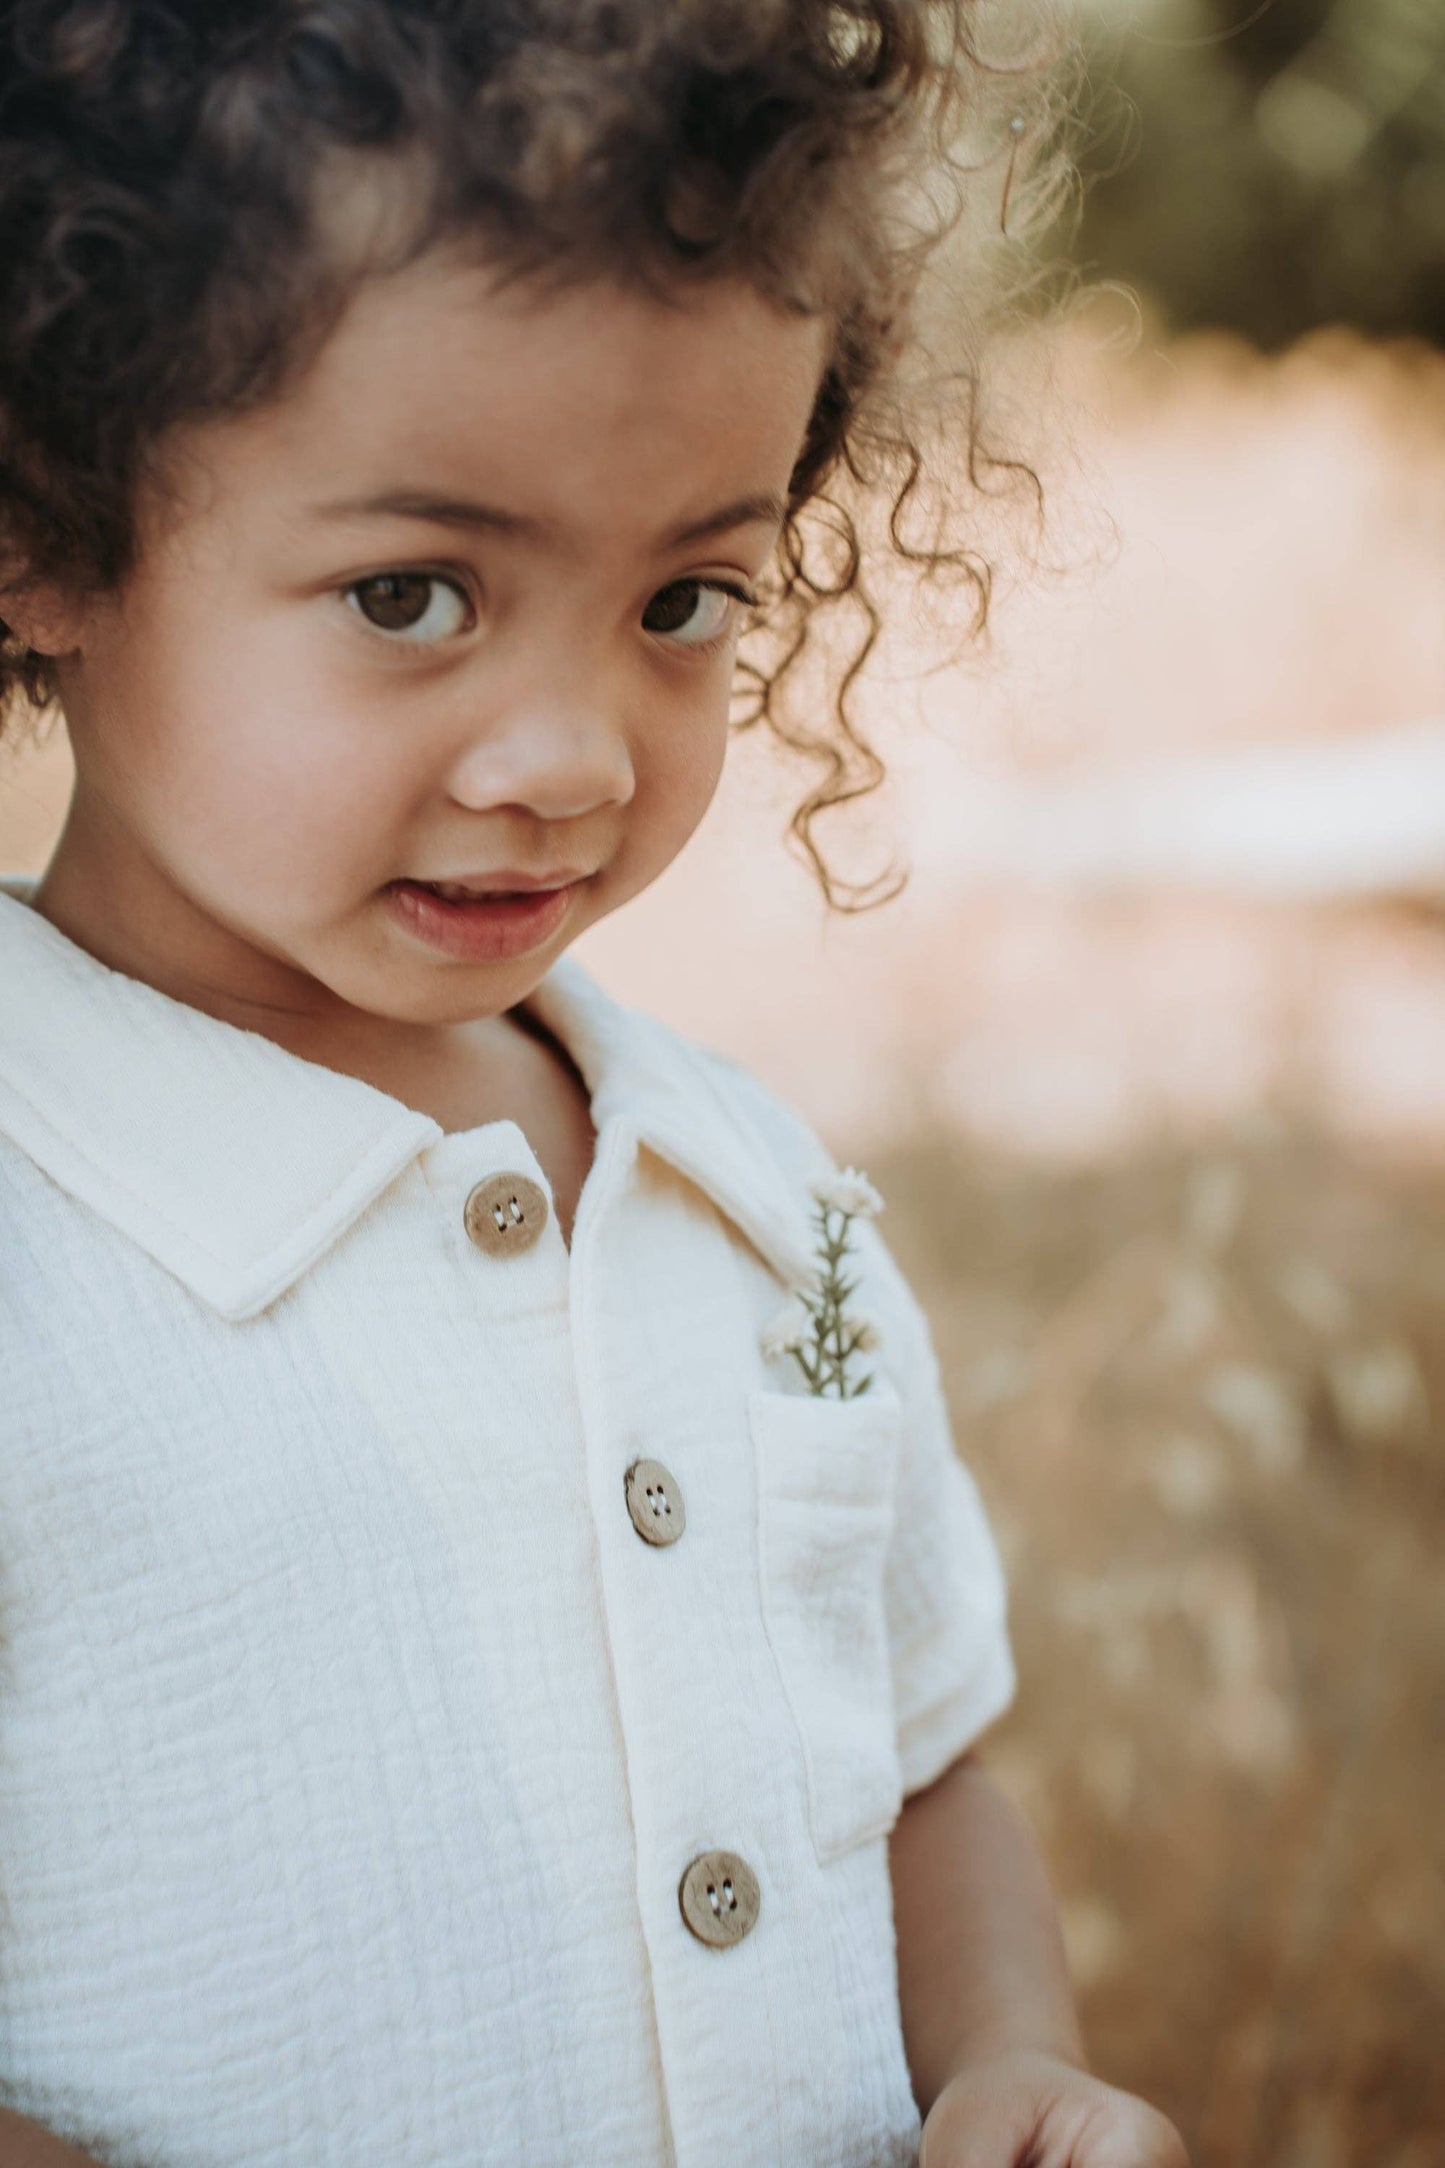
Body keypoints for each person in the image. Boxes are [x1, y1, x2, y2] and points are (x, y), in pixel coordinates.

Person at [0, 4, 1189, 2165]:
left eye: (682, 599)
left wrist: (1003, 2058)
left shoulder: (758, 1195)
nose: (573, 753)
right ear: (46, 525)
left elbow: (920, 1770)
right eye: (410, 592)